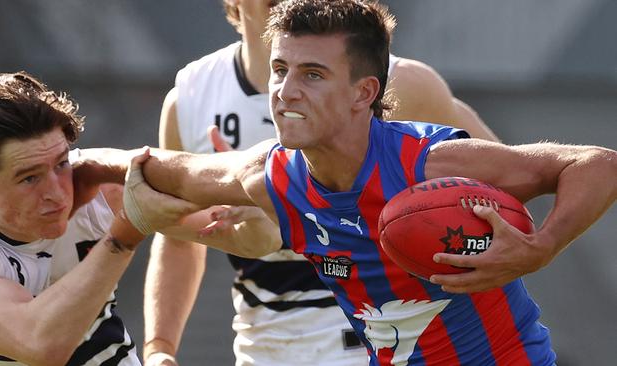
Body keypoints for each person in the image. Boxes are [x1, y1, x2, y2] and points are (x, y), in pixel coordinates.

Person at [121, 0, 617, 365]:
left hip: (380, 329)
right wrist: (161, 346)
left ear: (367, 93)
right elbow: (178, 232)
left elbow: (501, 193)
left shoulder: (404, 83)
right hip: (266, 338)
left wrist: (535, 244)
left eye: (312, 74)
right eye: (282, 71)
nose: (291, 88)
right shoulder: (192, 94)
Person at [0, 72, 199, 365]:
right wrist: (124, 235)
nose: (57, 192)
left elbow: (246, 234)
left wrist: (254, 189)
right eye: (29, 179)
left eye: (61, 163)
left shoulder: (102, 191)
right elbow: (39, 343)